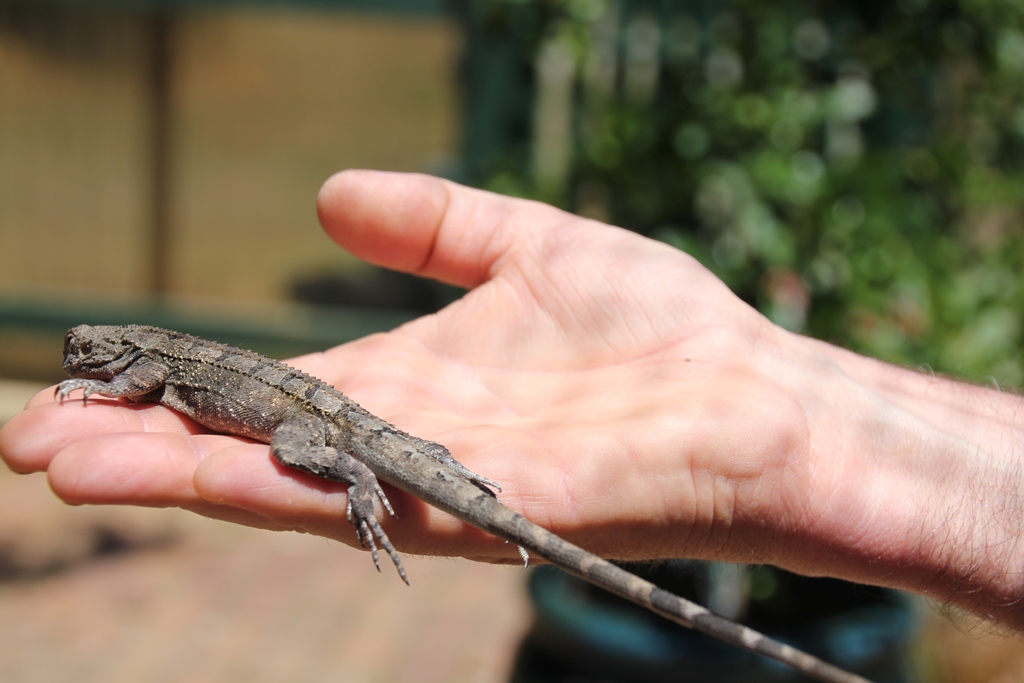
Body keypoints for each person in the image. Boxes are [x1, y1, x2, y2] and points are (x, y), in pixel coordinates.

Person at [2, 170, 1022, 628]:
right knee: (374, 442)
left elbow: (139, 381)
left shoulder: (144, 362)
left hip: (312, 418)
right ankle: (406, 469)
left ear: (116, 346)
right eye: (90, 353)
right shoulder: (160, 356)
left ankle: (368, 478)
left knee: (306, 451)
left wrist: (101, 386)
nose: (90, 357)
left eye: (95, 350)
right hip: (327, 399)